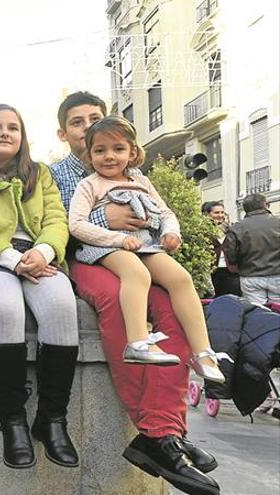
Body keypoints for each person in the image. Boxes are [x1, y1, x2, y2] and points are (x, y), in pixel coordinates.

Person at [49, 92, 219, 495]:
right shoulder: (57, 174)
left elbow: (155, 212)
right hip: (90, 258)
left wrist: (167, 232)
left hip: (141, 253)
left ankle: (164, 431)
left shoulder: (130, 170)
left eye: (96, 117)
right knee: (116, 299)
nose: (89, 126)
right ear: (63, 132)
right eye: (78, 122)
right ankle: (156, 431)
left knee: (171, 306)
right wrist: (103, 218)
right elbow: (57, 220)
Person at [0, 104, 80, 470]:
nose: (5, 133)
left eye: (13, 127)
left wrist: (43, 251)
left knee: (61, 307)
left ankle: (52, 419)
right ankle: (12, 421)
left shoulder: (38, 174)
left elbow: (57, 219)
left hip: (40, 259)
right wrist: (9, 258)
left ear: (23, 136)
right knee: (6, 309)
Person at [67, 115, 226, 382]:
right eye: (100, 150)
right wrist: (117, 239)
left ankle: (202, 352)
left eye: (118, 149)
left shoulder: (141, 181)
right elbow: (76, 224)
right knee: (136, 273)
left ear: (132, 152)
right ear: (89, 155)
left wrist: (171, 232)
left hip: (145, 244)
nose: (109, 156)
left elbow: (165, 213)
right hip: (106, 246)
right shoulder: (89, 185)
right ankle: (138, 341)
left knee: (180, 278)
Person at [223, 193, 280, 304]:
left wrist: (238, 266)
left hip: (250, 276)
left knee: (257, 313)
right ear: (265, 205)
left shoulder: (237, 228)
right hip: (277, 274)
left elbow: (231, 254)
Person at [201, 201, 240, 297]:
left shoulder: (231, 229)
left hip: (231, 270)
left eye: (222, 212)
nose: (220, 215)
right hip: (212, 272)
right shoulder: (202, 231)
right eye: (216, 213)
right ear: (207, 214)